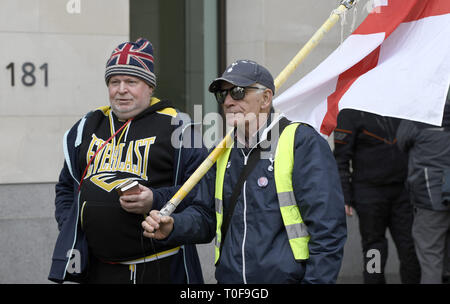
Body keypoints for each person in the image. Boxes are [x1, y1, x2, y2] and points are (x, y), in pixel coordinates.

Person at [142, 59, 347, 284]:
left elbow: (328, 230)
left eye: (238, 92)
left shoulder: (302, 143)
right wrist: (174, 226)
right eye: (222, 95)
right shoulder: (221, 153)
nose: (228, 101)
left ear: (266, 98)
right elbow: (205, 215)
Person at [48, 38, 207, 284]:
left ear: (150, 87)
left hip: (160, 269)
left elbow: (203, 194)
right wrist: (71, 226)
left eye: (131, 81)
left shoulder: (179, 127)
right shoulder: (88, 125)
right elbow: (67, 185)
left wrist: (155, 199)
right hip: (97, 269)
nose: (121, 89)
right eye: (114, 82)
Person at [333, 109, 421, 284]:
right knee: (374, 248)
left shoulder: (401, 106)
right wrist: (345, 196)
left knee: (410, 249)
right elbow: (341, 159)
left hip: (402, 192)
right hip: (369, 194)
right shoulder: (350, 112)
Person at [396, 90, 450, 284]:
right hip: (436, 192)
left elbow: (401, 141)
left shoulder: (420, 116)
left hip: (430, 198)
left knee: (430, 259)